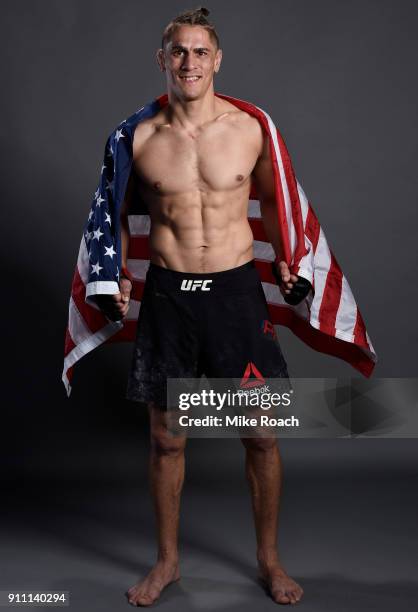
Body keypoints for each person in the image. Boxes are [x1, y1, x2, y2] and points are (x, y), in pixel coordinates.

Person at [96, 7, 304, 606]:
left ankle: (269, 560)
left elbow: (277, 205)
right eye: (178, 52)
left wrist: (289, 260)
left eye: (200, 52)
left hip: (236, 293)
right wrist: (115, 276)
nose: (190, 63)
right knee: (167, 439)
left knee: (261, 433)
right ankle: (167, 563)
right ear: (162, 60)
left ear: (218, 60)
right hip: (170, 295)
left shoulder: (250, 129)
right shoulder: (135, 138)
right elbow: (111, 220)